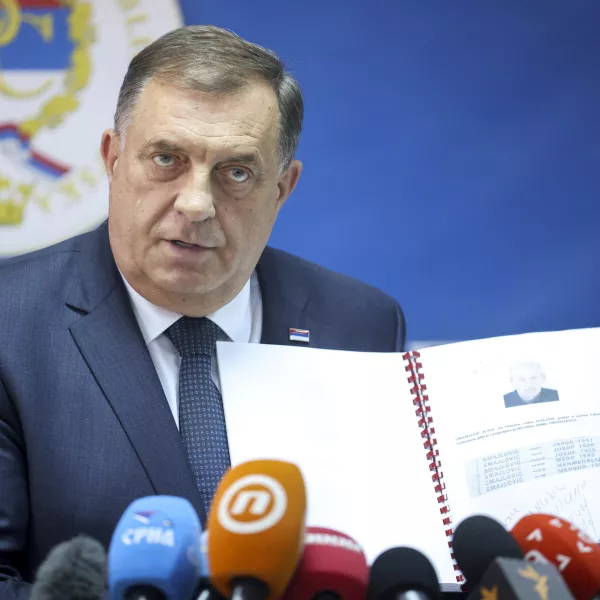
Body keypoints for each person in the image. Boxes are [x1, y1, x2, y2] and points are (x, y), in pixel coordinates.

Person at [0, 26, 405, 597]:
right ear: (112, 158)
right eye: (166, 159)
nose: (195, 203)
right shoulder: (8, 323)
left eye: (236, 172)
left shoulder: (361, 324)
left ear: (283, 188)